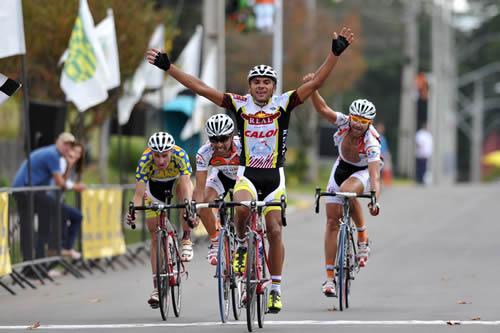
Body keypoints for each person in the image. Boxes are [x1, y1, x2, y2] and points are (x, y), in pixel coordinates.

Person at [147, 26, 354, 313]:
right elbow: (201, 88)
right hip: (247, 175)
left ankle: (276, 289)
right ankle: (242, 246)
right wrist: (170, 68)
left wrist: (334, 55)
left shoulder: (284, 104)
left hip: (274, 177)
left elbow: (316, 82)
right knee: (241, 210)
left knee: (274, 231)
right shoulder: (239, 105)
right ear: (249, 86)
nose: (260, 86)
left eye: (266, 82)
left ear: (273, 86)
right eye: (255, 81)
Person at [303, 73, 381, 298]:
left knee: (347, 190)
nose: (357, 125)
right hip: (342, 166)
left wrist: (375, 197)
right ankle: (329, 279)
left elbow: (375, 175)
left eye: (363, 122)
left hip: (363, 171)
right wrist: (313, 88)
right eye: (355, 119)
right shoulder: (345, 122)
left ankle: (362, 235)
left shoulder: (371, 142)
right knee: (331, 221)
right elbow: (323, 109)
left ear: (370, 123)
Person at [125, 131, 196, 308]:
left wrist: (188, 205)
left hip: (177, 182)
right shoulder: (145, 160)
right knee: (155, 233)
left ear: (171, 152)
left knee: (184, 197)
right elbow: (139, 193)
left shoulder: (180, 155)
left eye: (165, 155)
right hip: (154, 187)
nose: (161, 160)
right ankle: (157, 287)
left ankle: (186, 239)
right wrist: (132, 212)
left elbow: (187, 183)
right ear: (151, 153)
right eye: (157, 155)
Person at [12, 132, 76, 265]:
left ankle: (40, 258)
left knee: (42, 220)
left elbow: (60, 182)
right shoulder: (52, 154)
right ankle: (53, 249)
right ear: (57, 142)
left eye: (70, 145)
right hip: (25, 190)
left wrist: (69, 166)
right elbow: (60, 183)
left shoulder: (53, 154)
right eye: (65, 144)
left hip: (30, 191)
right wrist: (73, 184)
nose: (67, 148)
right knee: (60, 211)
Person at [193, 114, 241, 265]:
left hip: (242, 176)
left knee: (245, 205)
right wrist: (196, 209)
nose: (219, 144)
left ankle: (248, 241)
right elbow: (199, 190)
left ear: (232, 136)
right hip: (222, 176)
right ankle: (215, 241)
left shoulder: (243, 146)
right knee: (204, 203)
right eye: (214, 139)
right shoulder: (204, 152)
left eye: (224, 139)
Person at [59, 142, 86, 259]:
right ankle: (66, 248)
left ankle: (65, 248)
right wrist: (75, 186)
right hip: (50, 200)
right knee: (76, 216)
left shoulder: (72, 165)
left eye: (79, 153)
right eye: (74, 151)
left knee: (69, 220)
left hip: (59, 200)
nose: (76, 155)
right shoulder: (62, 161)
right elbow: (61, 181)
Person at [375, 122, 393, 187]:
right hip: (377, 156)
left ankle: (382, 181)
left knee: (383, 169)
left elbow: (385, 148)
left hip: (383, 155)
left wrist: (388, 155)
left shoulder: (383, 138)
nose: (381, 130)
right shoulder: (375, 137)